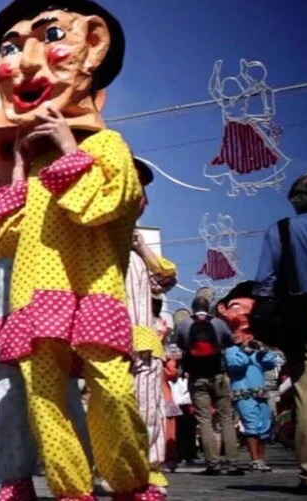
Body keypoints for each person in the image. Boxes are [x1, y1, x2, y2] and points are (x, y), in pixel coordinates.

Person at [0, 0, 158, 499]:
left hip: (92, 289)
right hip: (34, 294)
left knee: (112, 390)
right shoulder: (29, 166)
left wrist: (68, 146)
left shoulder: (107, 145)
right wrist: (18, 172)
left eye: (50, 37)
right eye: (11, 48)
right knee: (44, 401)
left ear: (93, 45)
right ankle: (71, 490)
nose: (25, 63)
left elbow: (99, 205)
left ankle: (129, 482)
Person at [0, 35, 92, 501]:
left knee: (61, 394)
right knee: (7, 398)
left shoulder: (59, 164)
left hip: (51, 299)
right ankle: (15, 478)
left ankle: (78, 476)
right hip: (3, 309)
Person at [254, 174, 307, 493]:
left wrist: (266, 312)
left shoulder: (280, 230)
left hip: (296, 315)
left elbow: (264, 280)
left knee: (306, 396)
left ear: (293, 200)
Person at [127, 159, 179, 489]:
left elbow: (165, 279)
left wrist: (141, 246)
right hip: (97, 338)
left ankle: (147, 473)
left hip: (141, 340)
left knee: (147, 409)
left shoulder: (137, 248)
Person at [175, 295, 243, 475]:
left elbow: (180, 343)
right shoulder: (219, 323)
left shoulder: (184, 324)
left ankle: (213, 464)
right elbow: (230, 341)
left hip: (197, 377)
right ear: (208, 307)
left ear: (192, 308)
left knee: (204, 420)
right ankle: (233, 463)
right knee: (226, 419)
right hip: (218, 375)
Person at [219, 282, 281, 472]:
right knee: (251, 423)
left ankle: (261, 458)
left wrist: (261, 350)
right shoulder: (231, 348)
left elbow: (271, 362)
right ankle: (255, 459)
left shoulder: (257, 345)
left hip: (260, 389)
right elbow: (235, 365)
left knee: (265, 423)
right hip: (243, 390)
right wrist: (245, 351)